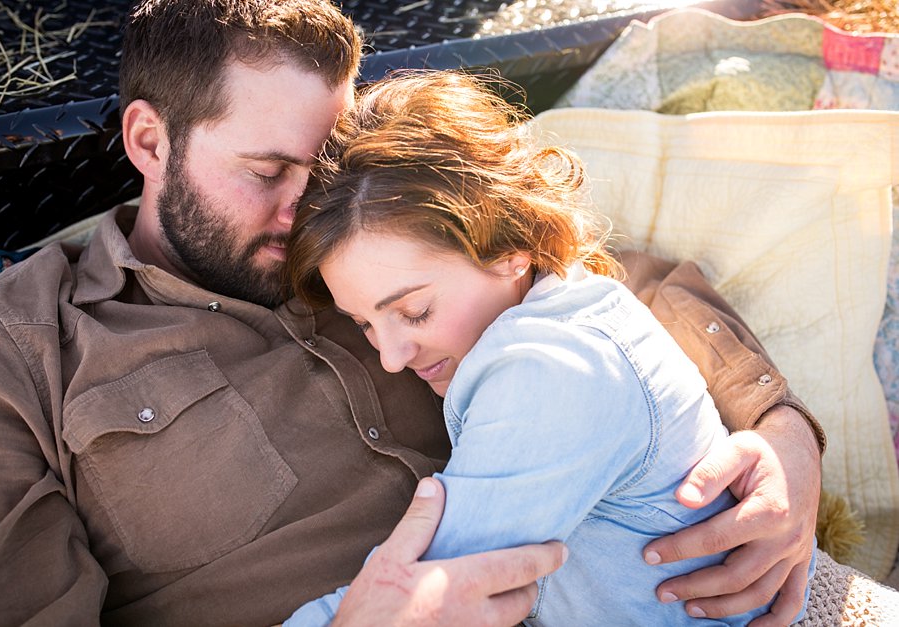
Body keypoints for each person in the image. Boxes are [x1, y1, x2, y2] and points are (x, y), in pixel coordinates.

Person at [0, 1, 823, 625]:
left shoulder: (370, 230)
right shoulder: (19, 349)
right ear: (150, 141)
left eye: (326, 164)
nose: (308, 211)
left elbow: (612, 286)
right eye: (266, 173)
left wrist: (780, 426)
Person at [282, 70, 815, 626]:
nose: (391, 358)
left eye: (415, 311)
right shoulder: (575, 308)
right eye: (363, 323)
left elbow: (427, 589)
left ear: (511, 247)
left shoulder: (554, 370)